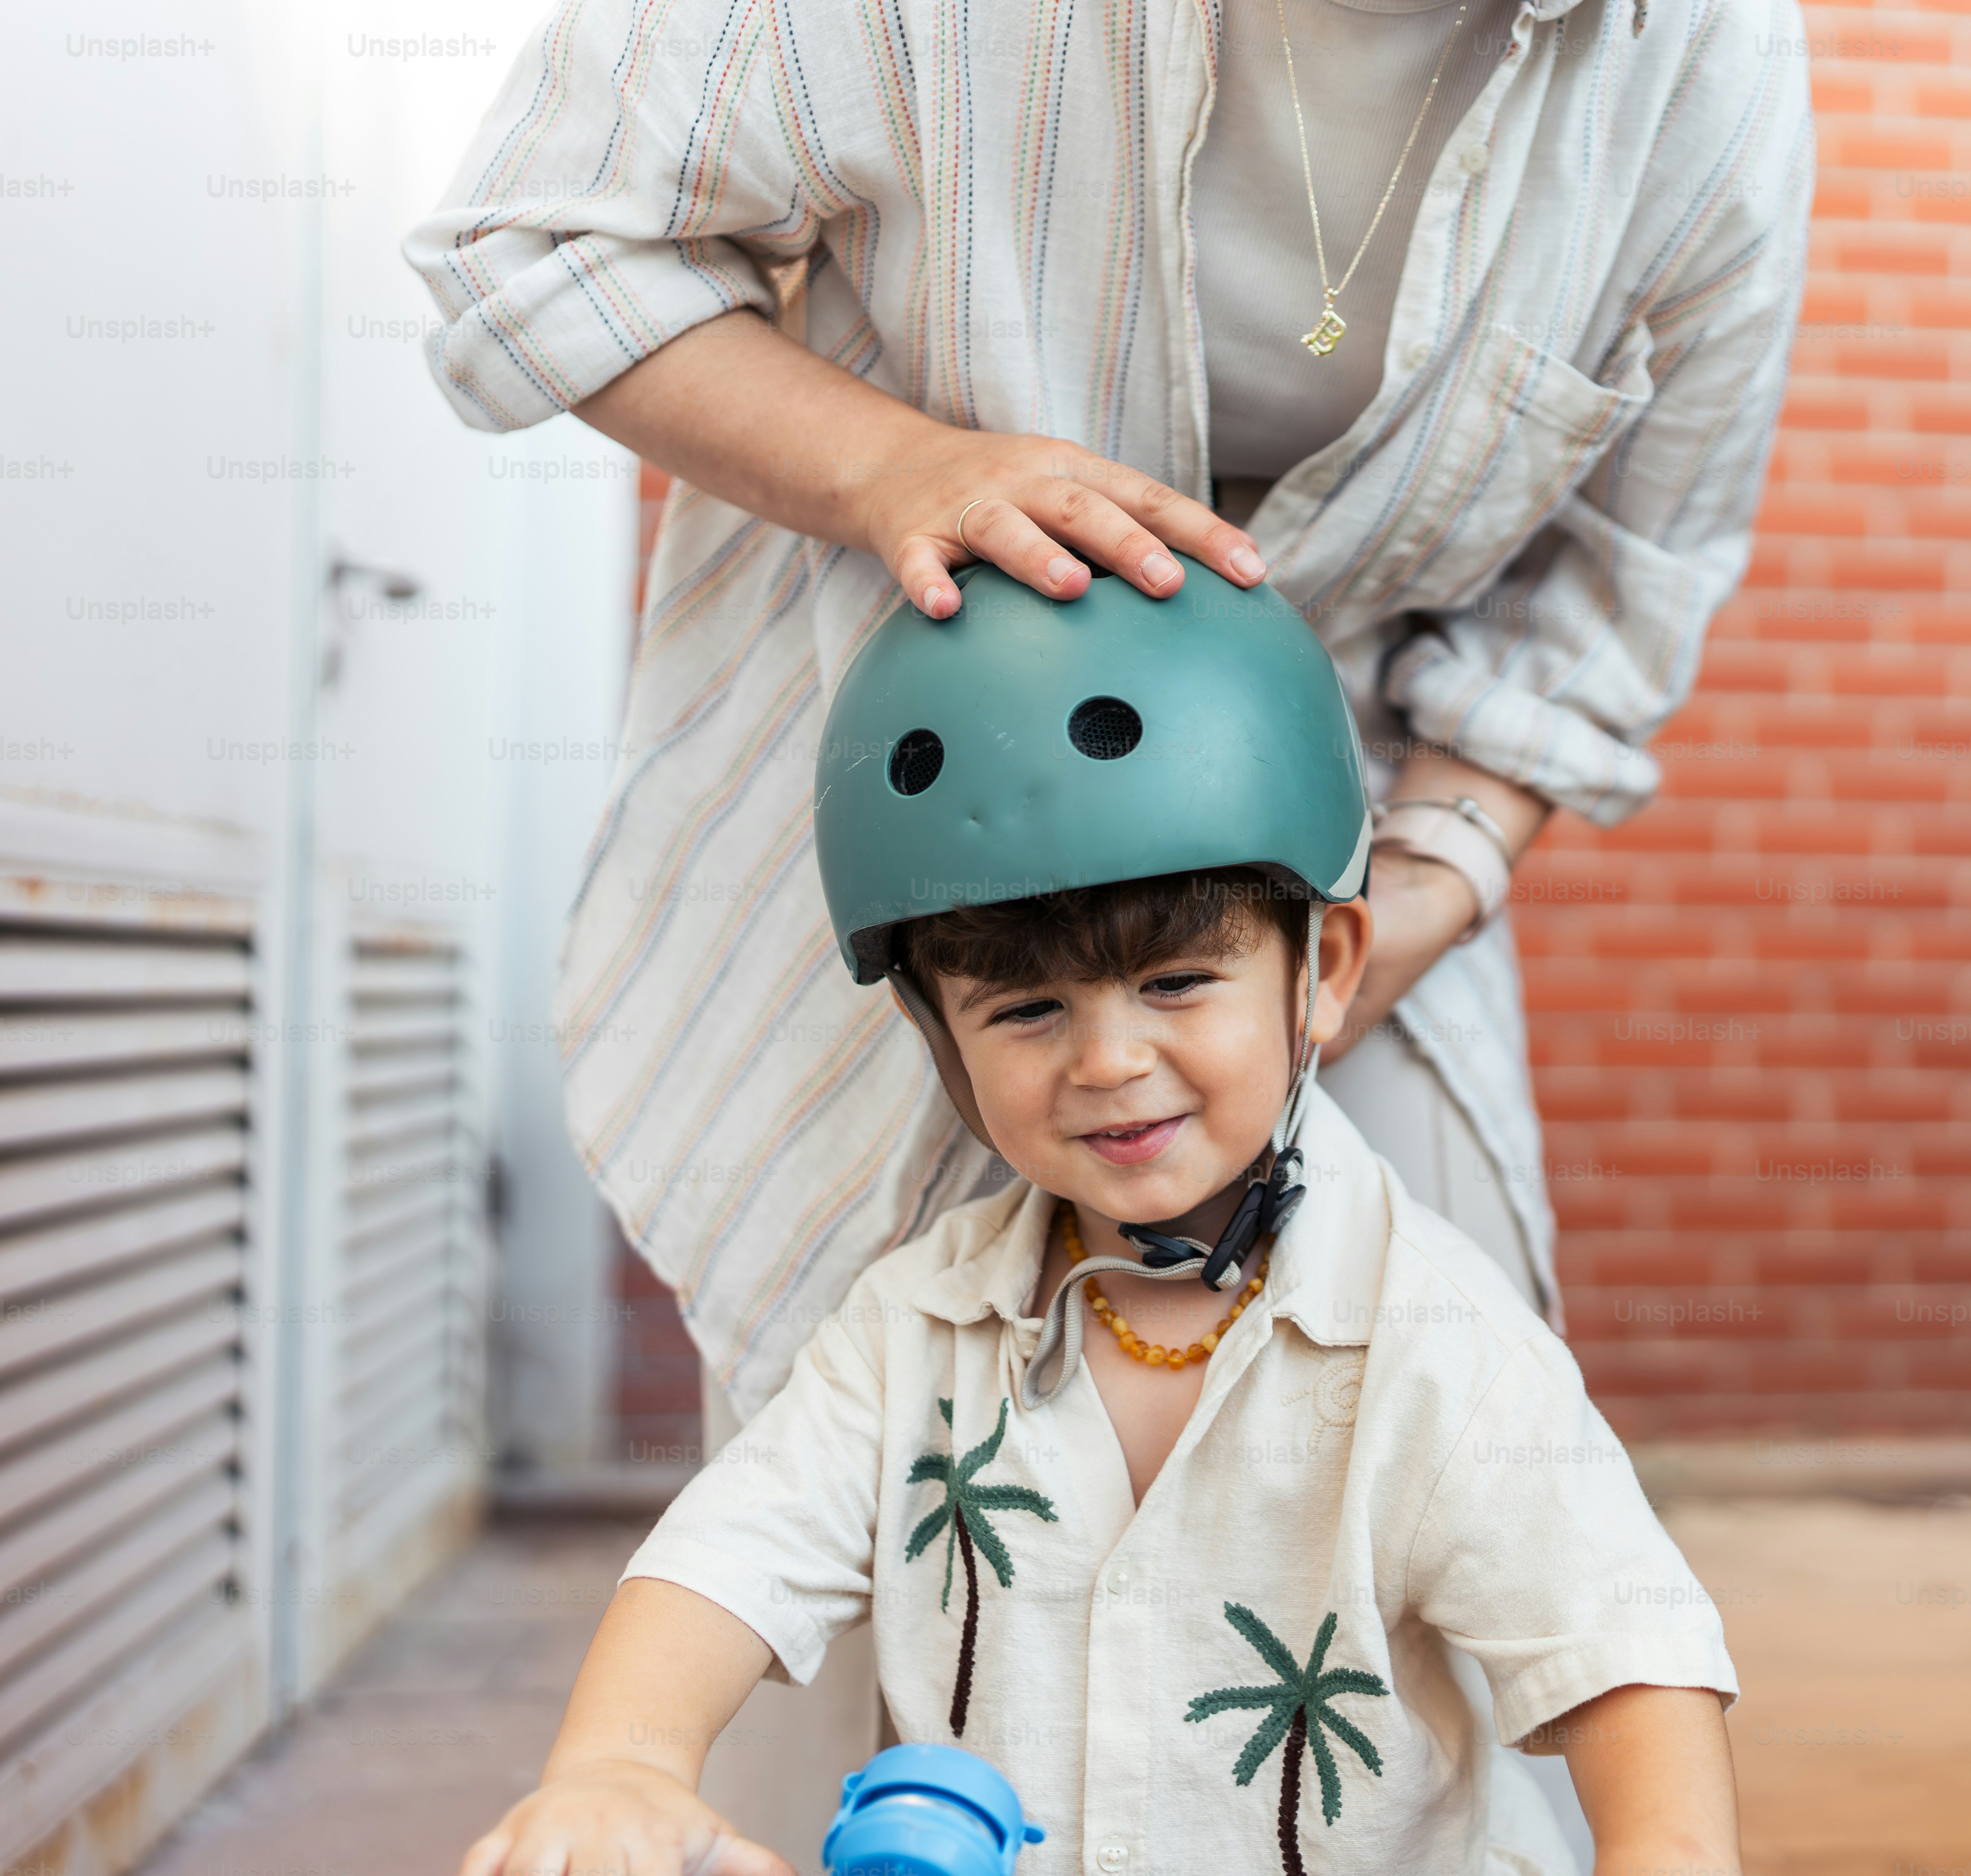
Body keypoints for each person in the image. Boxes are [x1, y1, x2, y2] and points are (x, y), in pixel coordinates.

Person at [454, 569, 1742, 1876]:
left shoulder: (1439, 1339)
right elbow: (735, 1550)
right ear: (935, 1028)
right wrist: (619, 1759)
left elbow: (1620, 1652)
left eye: (1177, 981)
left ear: (1326, 969)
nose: (1110, 1059)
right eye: (1026, 1009)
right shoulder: (911, 1330)